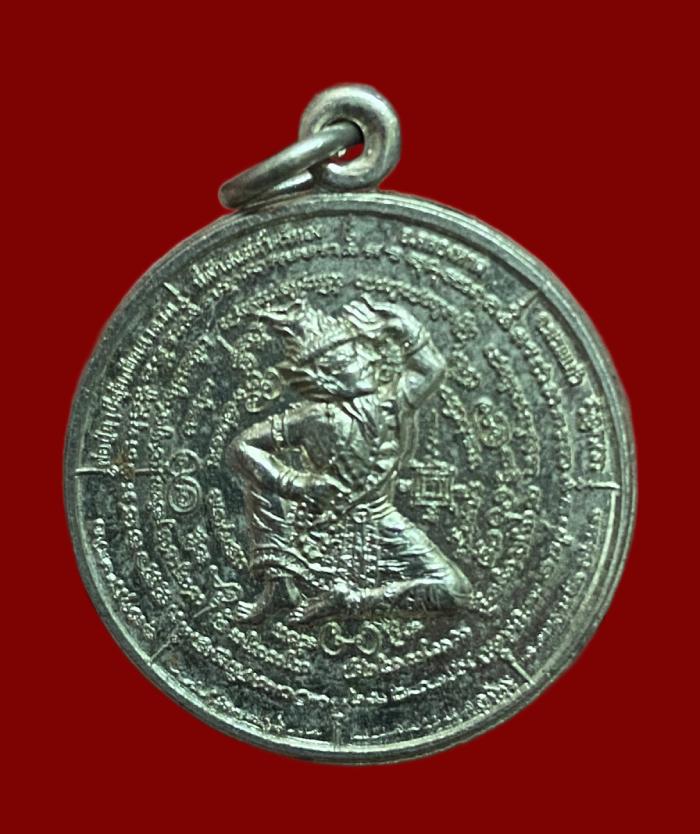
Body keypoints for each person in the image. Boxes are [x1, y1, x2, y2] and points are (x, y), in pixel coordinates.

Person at [226, 296, 471, 623]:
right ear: (327, 376)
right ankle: (280, 586)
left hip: (381, 518)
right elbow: (241, 448)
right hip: (324, 524)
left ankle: (352, 601)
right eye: (353, 355)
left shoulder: (391, 404)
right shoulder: (312, 418)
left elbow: (432, 368)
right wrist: (298, 484)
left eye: (361, 349)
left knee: (456, 591)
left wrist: (397, 323)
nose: (370, 358)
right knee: (259, 481)